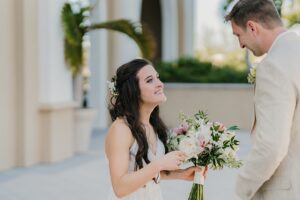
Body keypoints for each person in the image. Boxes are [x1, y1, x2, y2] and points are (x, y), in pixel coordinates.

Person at [225, 0, 300, 199]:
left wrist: (242, 188)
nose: (240, 44)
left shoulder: (274, 66)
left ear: (252, 27)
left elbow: (272, 147)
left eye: (238, 35)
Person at [105, 58, 203, 199]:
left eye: (158, 78)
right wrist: (160, 164)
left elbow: (145, 172)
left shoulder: (152, 125)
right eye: (150, 80)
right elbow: (119, 188)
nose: (160, 84)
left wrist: (180, 174)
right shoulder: (121, 129)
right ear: (134, 90)